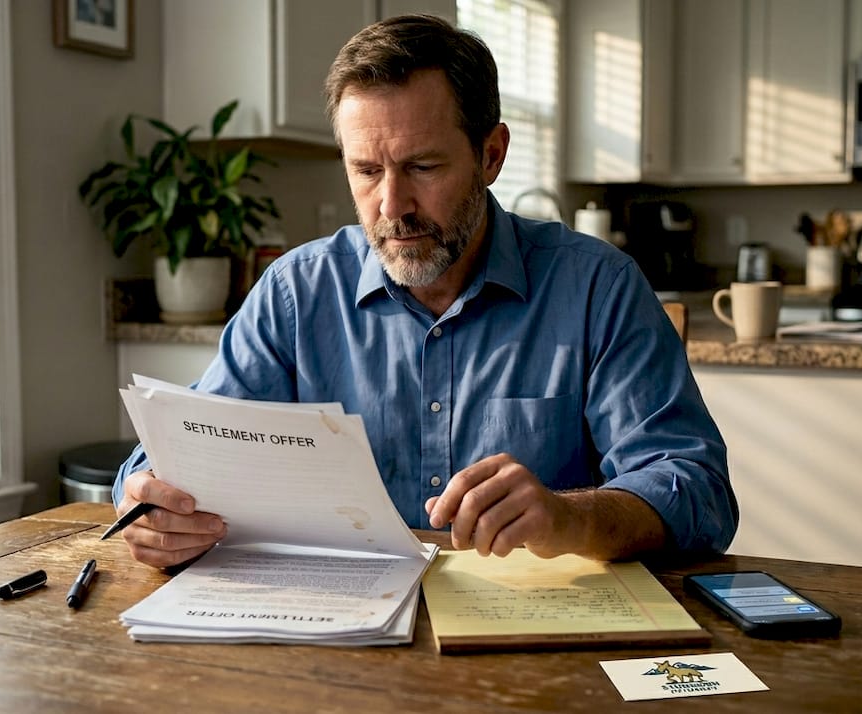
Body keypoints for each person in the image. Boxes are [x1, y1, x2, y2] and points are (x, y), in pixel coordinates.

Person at [112, 14, 737, 569]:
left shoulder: (598, 288)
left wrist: (569, 518)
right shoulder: (295, 294)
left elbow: (698, 490)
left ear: (491, 155)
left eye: (422, 167)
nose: (392, 205)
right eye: (366, 170)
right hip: (332, 636)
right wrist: (151, 503)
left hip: (533, 638)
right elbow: (179, 452)